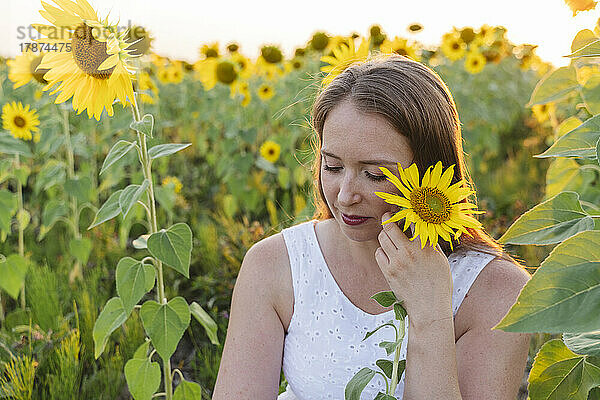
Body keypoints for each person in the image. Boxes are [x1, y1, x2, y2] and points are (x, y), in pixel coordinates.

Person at [211, 53, 532, 400]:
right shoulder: (275, 265)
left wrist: (431, 317)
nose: (346, 195)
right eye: (332, 166)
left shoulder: (496, 291)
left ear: (430, 173)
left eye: (375, 174)